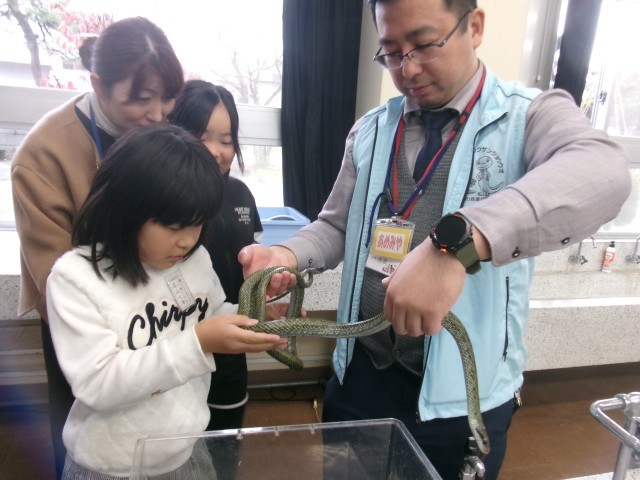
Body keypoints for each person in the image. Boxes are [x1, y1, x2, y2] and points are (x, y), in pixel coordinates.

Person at [238, 1, 632, 479]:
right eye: (391, 52)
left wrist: (458, 243)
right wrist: (285, 253)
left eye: (424, 44)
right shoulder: (371, 130)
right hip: (361, 378)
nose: (408, 69)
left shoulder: (528, 116)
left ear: (475, 27)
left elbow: (603, 174)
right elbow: (336, 226)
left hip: (460, 402)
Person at [46, 124, 288, 479]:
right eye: (174, 228)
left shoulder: (193, 259)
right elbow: (98, 383)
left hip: (185, 448)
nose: (187, 241)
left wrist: (254, 315)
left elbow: (211, 315)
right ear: (124, 210)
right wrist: (199, 342)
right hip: (111, 465)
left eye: (197, 225)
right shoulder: (76, 278)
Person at [11, 17, 184, 479]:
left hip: (158, 312)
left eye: (168, 97)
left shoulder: (164, 123)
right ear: (97, 85)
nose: (158, 114)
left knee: (160, 429)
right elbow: (55, 280)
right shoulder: (43, 155)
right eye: (141, 99)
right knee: (87, 439)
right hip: (85, 323)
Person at [168, 80, 262, 477]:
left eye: (226, 139)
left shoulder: (240, 195)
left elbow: (253, 264)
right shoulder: (160, 199)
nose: (215, 150)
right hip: (175, 357)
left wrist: (266, 300)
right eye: (201, 135)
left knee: (223, 454)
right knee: (175, 455)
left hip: (229, 350)